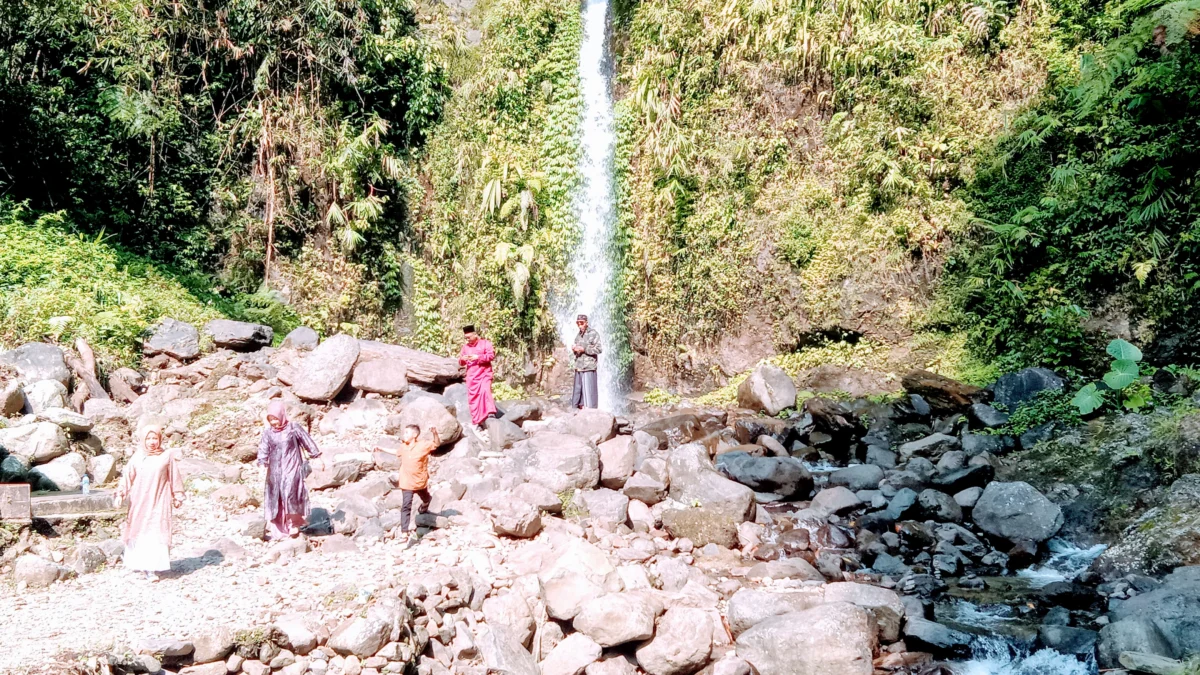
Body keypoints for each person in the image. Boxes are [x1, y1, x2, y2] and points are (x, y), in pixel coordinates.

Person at [115, 425, 184, 581]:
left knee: (156, 530)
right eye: (149, 438)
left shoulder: (166, 456)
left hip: (160, 499)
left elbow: (174, 477)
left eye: (155, 438)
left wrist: (178, 496)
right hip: (139, 500)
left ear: (159, 439)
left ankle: (151, 568)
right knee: (140, 530)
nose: (152, 442)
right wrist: (120, 494)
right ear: (143, 440)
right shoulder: (138, 457)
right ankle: (140, 564)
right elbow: (127, 477)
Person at [257, 400, 324, 539]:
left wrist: (317, 457)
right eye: (271, 419)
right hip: (275, 470)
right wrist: (262, 465)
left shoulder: (293, 428)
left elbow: (307, 441)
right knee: (277, 496)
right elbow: (263, 450)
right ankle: (280, 528)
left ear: (281, 415)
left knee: (290, 493)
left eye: (275, 418)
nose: (274, 422)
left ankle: (294, 523)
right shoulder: (268, 433)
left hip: (292, 466)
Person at [385, 424, 440, 542]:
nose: (404, 435)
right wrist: (381, 449)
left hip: (419, 481)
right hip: (406, 481)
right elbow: (396, 452)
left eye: (407, 433)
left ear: (414, 435)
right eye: (404, 433)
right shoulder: (404, 447)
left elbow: (436, 444)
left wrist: (435, 433)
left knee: (426, 498)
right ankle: (404, 532)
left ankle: (425, 505)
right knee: (406, 505)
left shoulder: (422, 445)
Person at [458, 325, 497, 429]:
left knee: (485, 391)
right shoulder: (465, 347)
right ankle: (478, 420)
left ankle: (490, 413)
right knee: (473, 398)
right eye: (466, 338)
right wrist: (464, 358)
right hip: (472, 376)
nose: (468, 340)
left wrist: (478, 357)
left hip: (484, 373)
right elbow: (460, 362)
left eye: (469, 337)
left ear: (475, 335)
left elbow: (491, 356)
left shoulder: (485, 343)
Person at [571, 314, 602, 409]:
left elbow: (599, 349)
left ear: (586, 323)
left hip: (589, 367)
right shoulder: (578, 335)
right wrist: (574, 350)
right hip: (579, 367)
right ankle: (576, 410)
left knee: (589, 392)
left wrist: (584, 349)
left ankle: (591, 412)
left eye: (582, 323)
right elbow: (577, 351)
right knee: (577, 392)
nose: (580, 325)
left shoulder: (593, 333)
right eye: (578, 323)